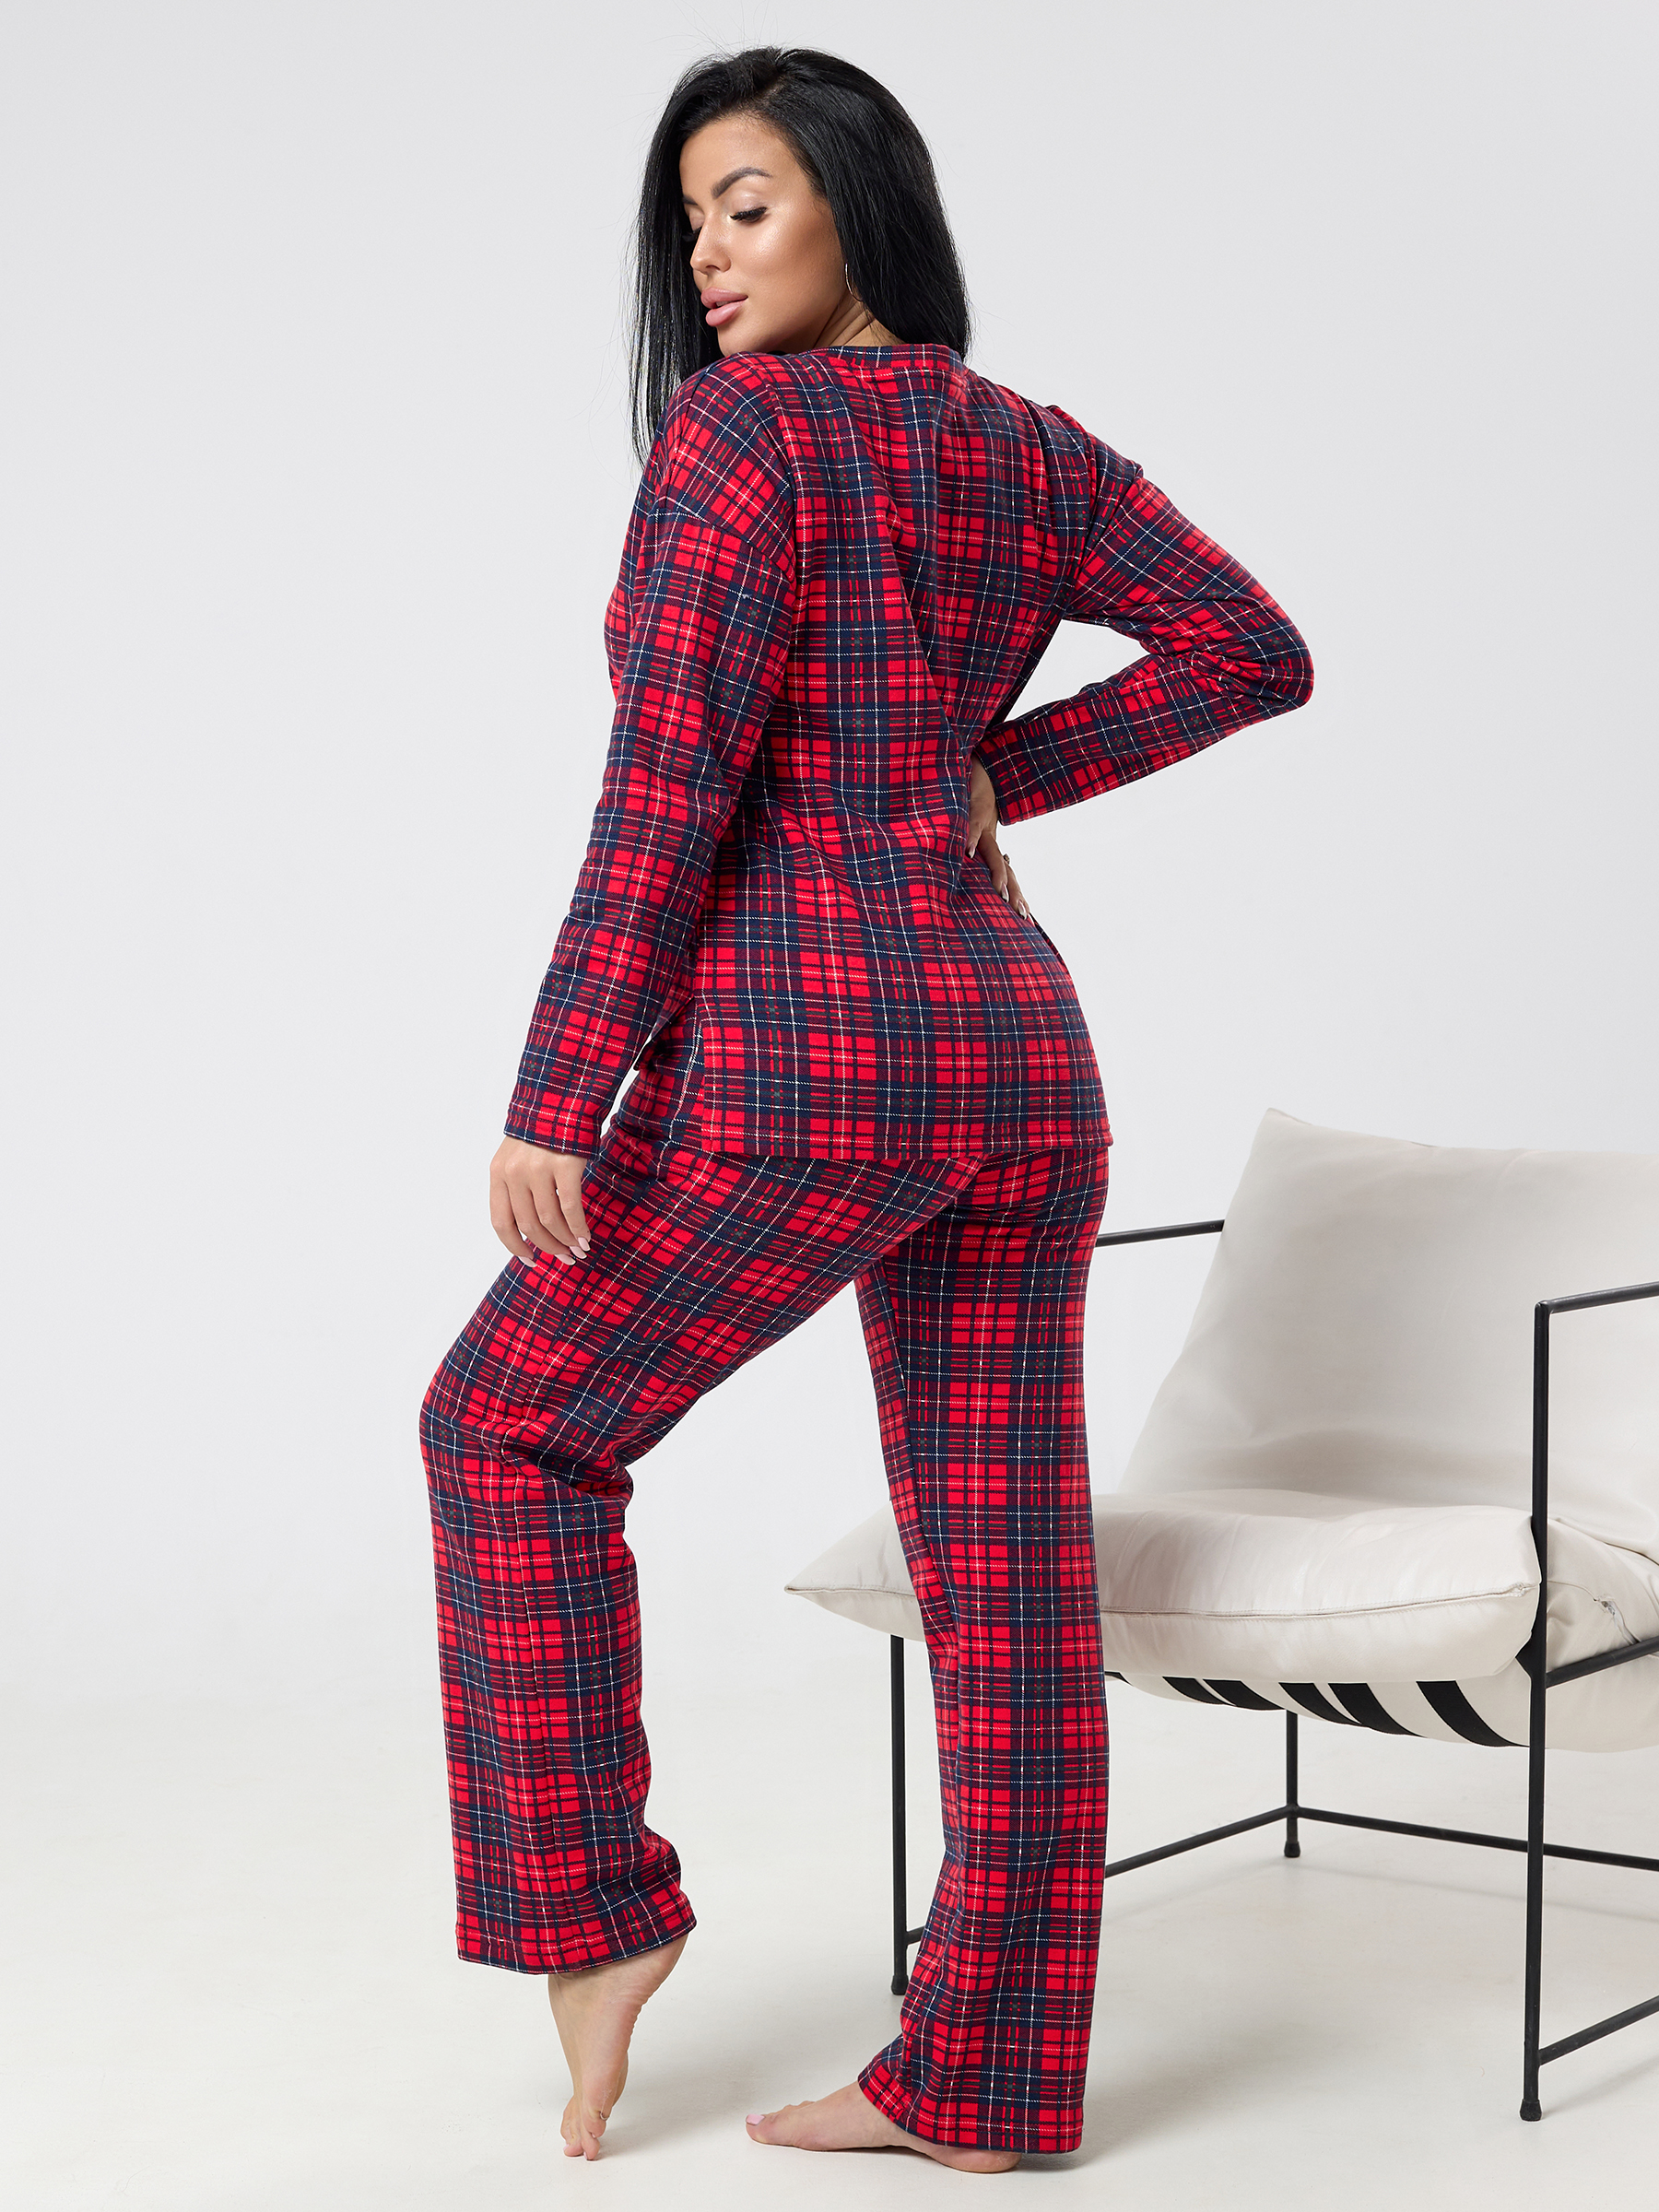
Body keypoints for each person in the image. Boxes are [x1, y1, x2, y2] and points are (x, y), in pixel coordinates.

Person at [419, 41, 1313, 2175]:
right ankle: (988, 2083)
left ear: (852, 196)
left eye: (745, 207)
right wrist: (993, 779)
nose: (708, 263)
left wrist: (561, 1090)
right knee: (1005, 1574)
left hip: (807, 1068)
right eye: (690, 224)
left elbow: (668, 791)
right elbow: (1250, 648)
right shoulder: (1026, 446)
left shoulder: (740, 441)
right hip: (1019, 1067)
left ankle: (595, 1914)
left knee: (507, 1431)